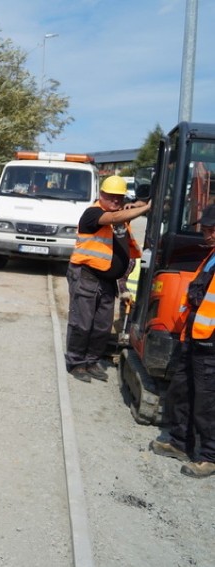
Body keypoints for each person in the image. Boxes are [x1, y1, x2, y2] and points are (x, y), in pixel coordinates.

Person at [150, 204, 215, 478]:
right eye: (205, 229)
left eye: (211, 230)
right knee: (182, 390)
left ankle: (209, 456)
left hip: (211, 343)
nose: (206, 234)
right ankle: (179, 442)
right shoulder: (212, 254)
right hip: (195, 337)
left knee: (207, 401)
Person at [65, 175, 151, 382]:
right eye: (111, 197)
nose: (116, 201)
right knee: (82, 323)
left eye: (119, 198)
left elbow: (127, 212)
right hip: (87, 276)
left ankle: (92, 361)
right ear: (101, 195)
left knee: (102, 325)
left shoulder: (119, 212)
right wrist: (146, 208)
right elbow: (113, 219)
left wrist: (143, 203)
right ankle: (76, 362)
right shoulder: (93, 214)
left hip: (106, 281)